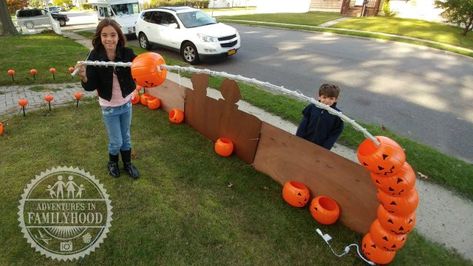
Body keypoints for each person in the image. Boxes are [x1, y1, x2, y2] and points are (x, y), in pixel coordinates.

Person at [77, 18, 139, 179]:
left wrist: (152, 67)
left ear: (119, 36)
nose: (109, 39)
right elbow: (90, 86)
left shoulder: (127, 53)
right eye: (105, 35)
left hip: (126, 104)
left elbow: (140, 68)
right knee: (116, 141)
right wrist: (84, 77)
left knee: (126, 138)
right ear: (100, 37)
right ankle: (112, 163)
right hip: (109, 107)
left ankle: (127, 164)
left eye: (113, 35)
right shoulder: (94, 56)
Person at [296, 83, 344, 150]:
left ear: (335, 99)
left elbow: (335, 133)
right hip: (305, 140)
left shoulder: (337, 115)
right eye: (324, 97)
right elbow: (303, 124)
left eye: (331, 98)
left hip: (321, 146)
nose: (327, 101)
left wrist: (326, 147)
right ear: (319, 97)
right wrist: (298, 138)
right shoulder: (312, 107)